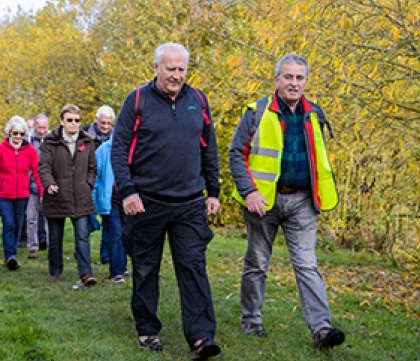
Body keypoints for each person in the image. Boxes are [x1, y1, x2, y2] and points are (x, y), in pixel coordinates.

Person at [110, 42, 221, 360]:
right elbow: (119, 150)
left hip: (189, 203)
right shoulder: (138, 100)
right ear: (155, 67)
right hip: (146, 202)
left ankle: (201, 336)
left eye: (182, 69)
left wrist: (213, 191)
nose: (176, 75)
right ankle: (147, 330)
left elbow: (208, 148)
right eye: (170, 68)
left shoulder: (198, 99)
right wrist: (128, 192)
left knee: (194, 267)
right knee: (145, 268)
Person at [228, 53, 343, 349]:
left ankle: (322, 329)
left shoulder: (315, 113)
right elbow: (235, 154)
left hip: (303, 202)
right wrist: (249, 191)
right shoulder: (256, 111)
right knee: (257, 263)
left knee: (307, 265)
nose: (294, 83)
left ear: (306, 81)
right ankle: (251, 319)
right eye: (288, 77)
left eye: (299, 78)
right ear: (277, 79)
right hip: (263, 201)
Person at [39, 104, 97, 286]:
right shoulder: (50, 141)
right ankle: (55, 271)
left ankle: (86, 273)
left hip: (80, 196)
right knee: (55, 238)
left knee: (82, 236)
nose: (73, 124)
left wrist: (88, 184)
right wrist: (49, 184)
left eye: (77, 120)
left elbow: (92, 168)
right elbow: (44, 166)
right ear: (62, 121)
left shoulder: (87, 141)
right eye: (70, 120)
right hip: (57, 195)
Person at [0, 116, 43, 270]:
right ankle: (10, 255)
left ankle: (13, 254)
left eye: (21, 134)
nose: (17, 137)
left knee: (17, 225)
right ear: (9, 133)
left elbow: (36, 173)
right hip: (3, 194)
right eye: (15, 133)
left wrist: (42, 192)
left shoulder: (30, 151)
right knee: (8, 223)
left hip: (22, 194)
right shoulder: (0, 150)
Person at [92, 134, 128, 283]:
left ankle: (123, 266)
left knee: (126, 234)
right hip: (110, 198)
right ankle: (116, 272)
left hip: (127, 197)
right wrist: (94, 199)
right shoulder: (103, 150)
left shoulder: (134, 147)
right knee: (115, 233)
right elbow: (95, 176)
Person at [82, 105, 116, 265]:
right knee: (88, 220)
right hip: (86, 180)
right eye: (103, 123)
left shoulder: (115, 139)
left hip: (106, 183)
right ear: (96, 120)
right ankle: (81, 247)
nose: (106, 127)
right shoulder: (85, 135)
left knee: (109, 220)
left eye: (109, 124)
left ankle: (106, 255)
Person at [25, 114, 50, 259]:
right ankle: (32, 247)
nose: (41, 131)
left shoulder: (52, 140)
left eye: (44, 128)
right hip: (31, 185)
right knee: (31, 218)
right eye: (39, 127)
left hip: (47, 185)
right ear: (34, 126)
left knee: (49, 218)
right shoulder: (27, 141)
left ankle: (50, 246)